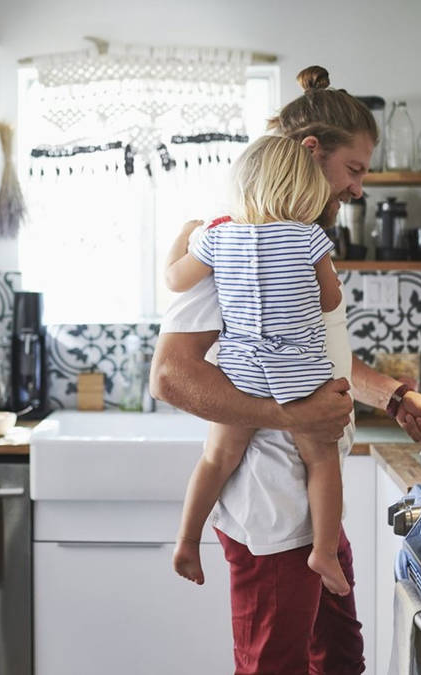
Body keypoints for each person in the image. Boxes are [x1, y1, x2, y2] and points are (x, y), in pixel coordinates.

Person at [149, 65, 421, 675]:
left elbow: (320, 357)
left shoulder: (301, 241)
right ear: (312, 153)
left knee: (339, 661)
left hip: (313, 509)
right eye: (355, 170)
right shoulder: (231, 241)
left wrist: (393, 396)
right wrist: (290, 414)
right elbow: (171, 377)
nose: (359, 189)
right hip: (270, 509)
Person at [165, 135, 351, 596]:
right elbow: (331, 299)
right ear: (306, 190)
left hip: (242, 372)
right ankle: (324, 551)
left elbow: (173, 279)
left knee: (216, 458)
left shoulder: (217, 237)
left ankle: (188, 540)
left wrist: (185, 236)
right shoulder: (310, 237)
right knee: (321, 459)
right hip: (302, 375)